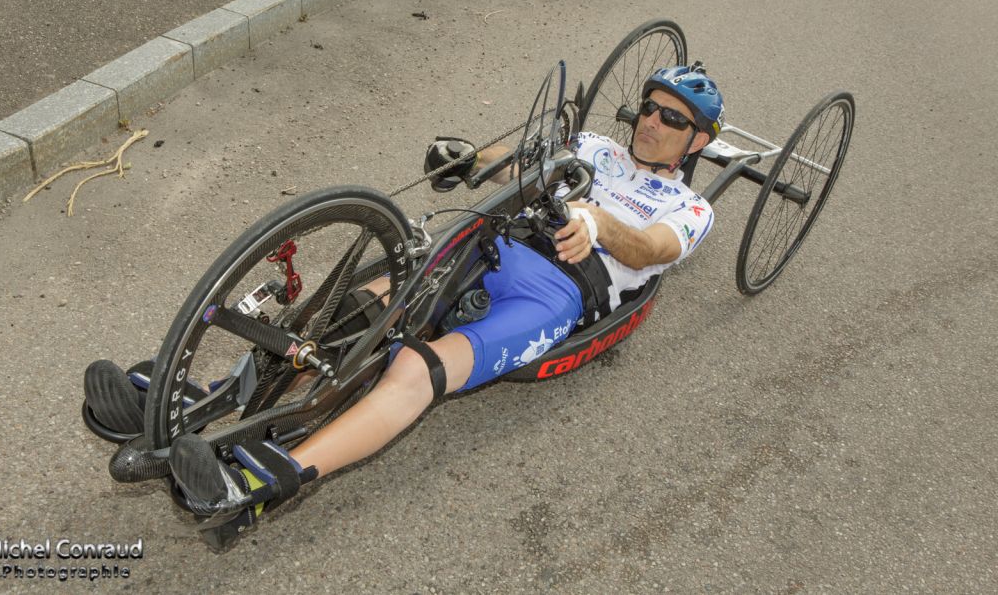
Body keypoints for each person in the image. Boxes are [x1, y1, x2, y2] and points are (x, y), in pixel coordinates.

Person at [85, 63, 725, 538]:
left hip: (558, 292)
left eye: (673, 119)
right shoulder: (593, 147)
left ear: (697, 141)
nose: (652, 122)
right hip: (494, 242)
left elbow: (648, 249)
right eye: (650, 107)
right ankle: (196, 401)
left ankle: (257, 485)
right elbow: (516, 162)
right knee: (352, 312)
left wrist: (595, 220)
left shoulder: (690, 206)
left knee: (417, 368)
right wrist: (471, 156)